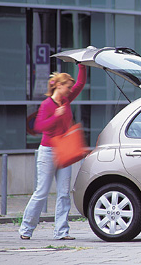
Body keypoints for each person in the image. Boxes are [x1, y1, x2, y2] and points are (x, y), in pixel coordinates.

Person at [19, 63, 86, 240]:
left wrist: (82, 66)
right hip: (48, 152)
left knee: (64, 193)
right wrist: (56, 115)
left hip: (64, 152)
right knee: (41, 192)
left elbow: (80, 84)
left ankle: (61, 232)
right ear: (59, 85)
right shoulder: (47, 105)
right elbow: (38, 126)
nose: (70, 90)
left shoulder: (66, 100)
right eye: (68, 87)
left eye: (70, 88)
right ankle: (26, 229)